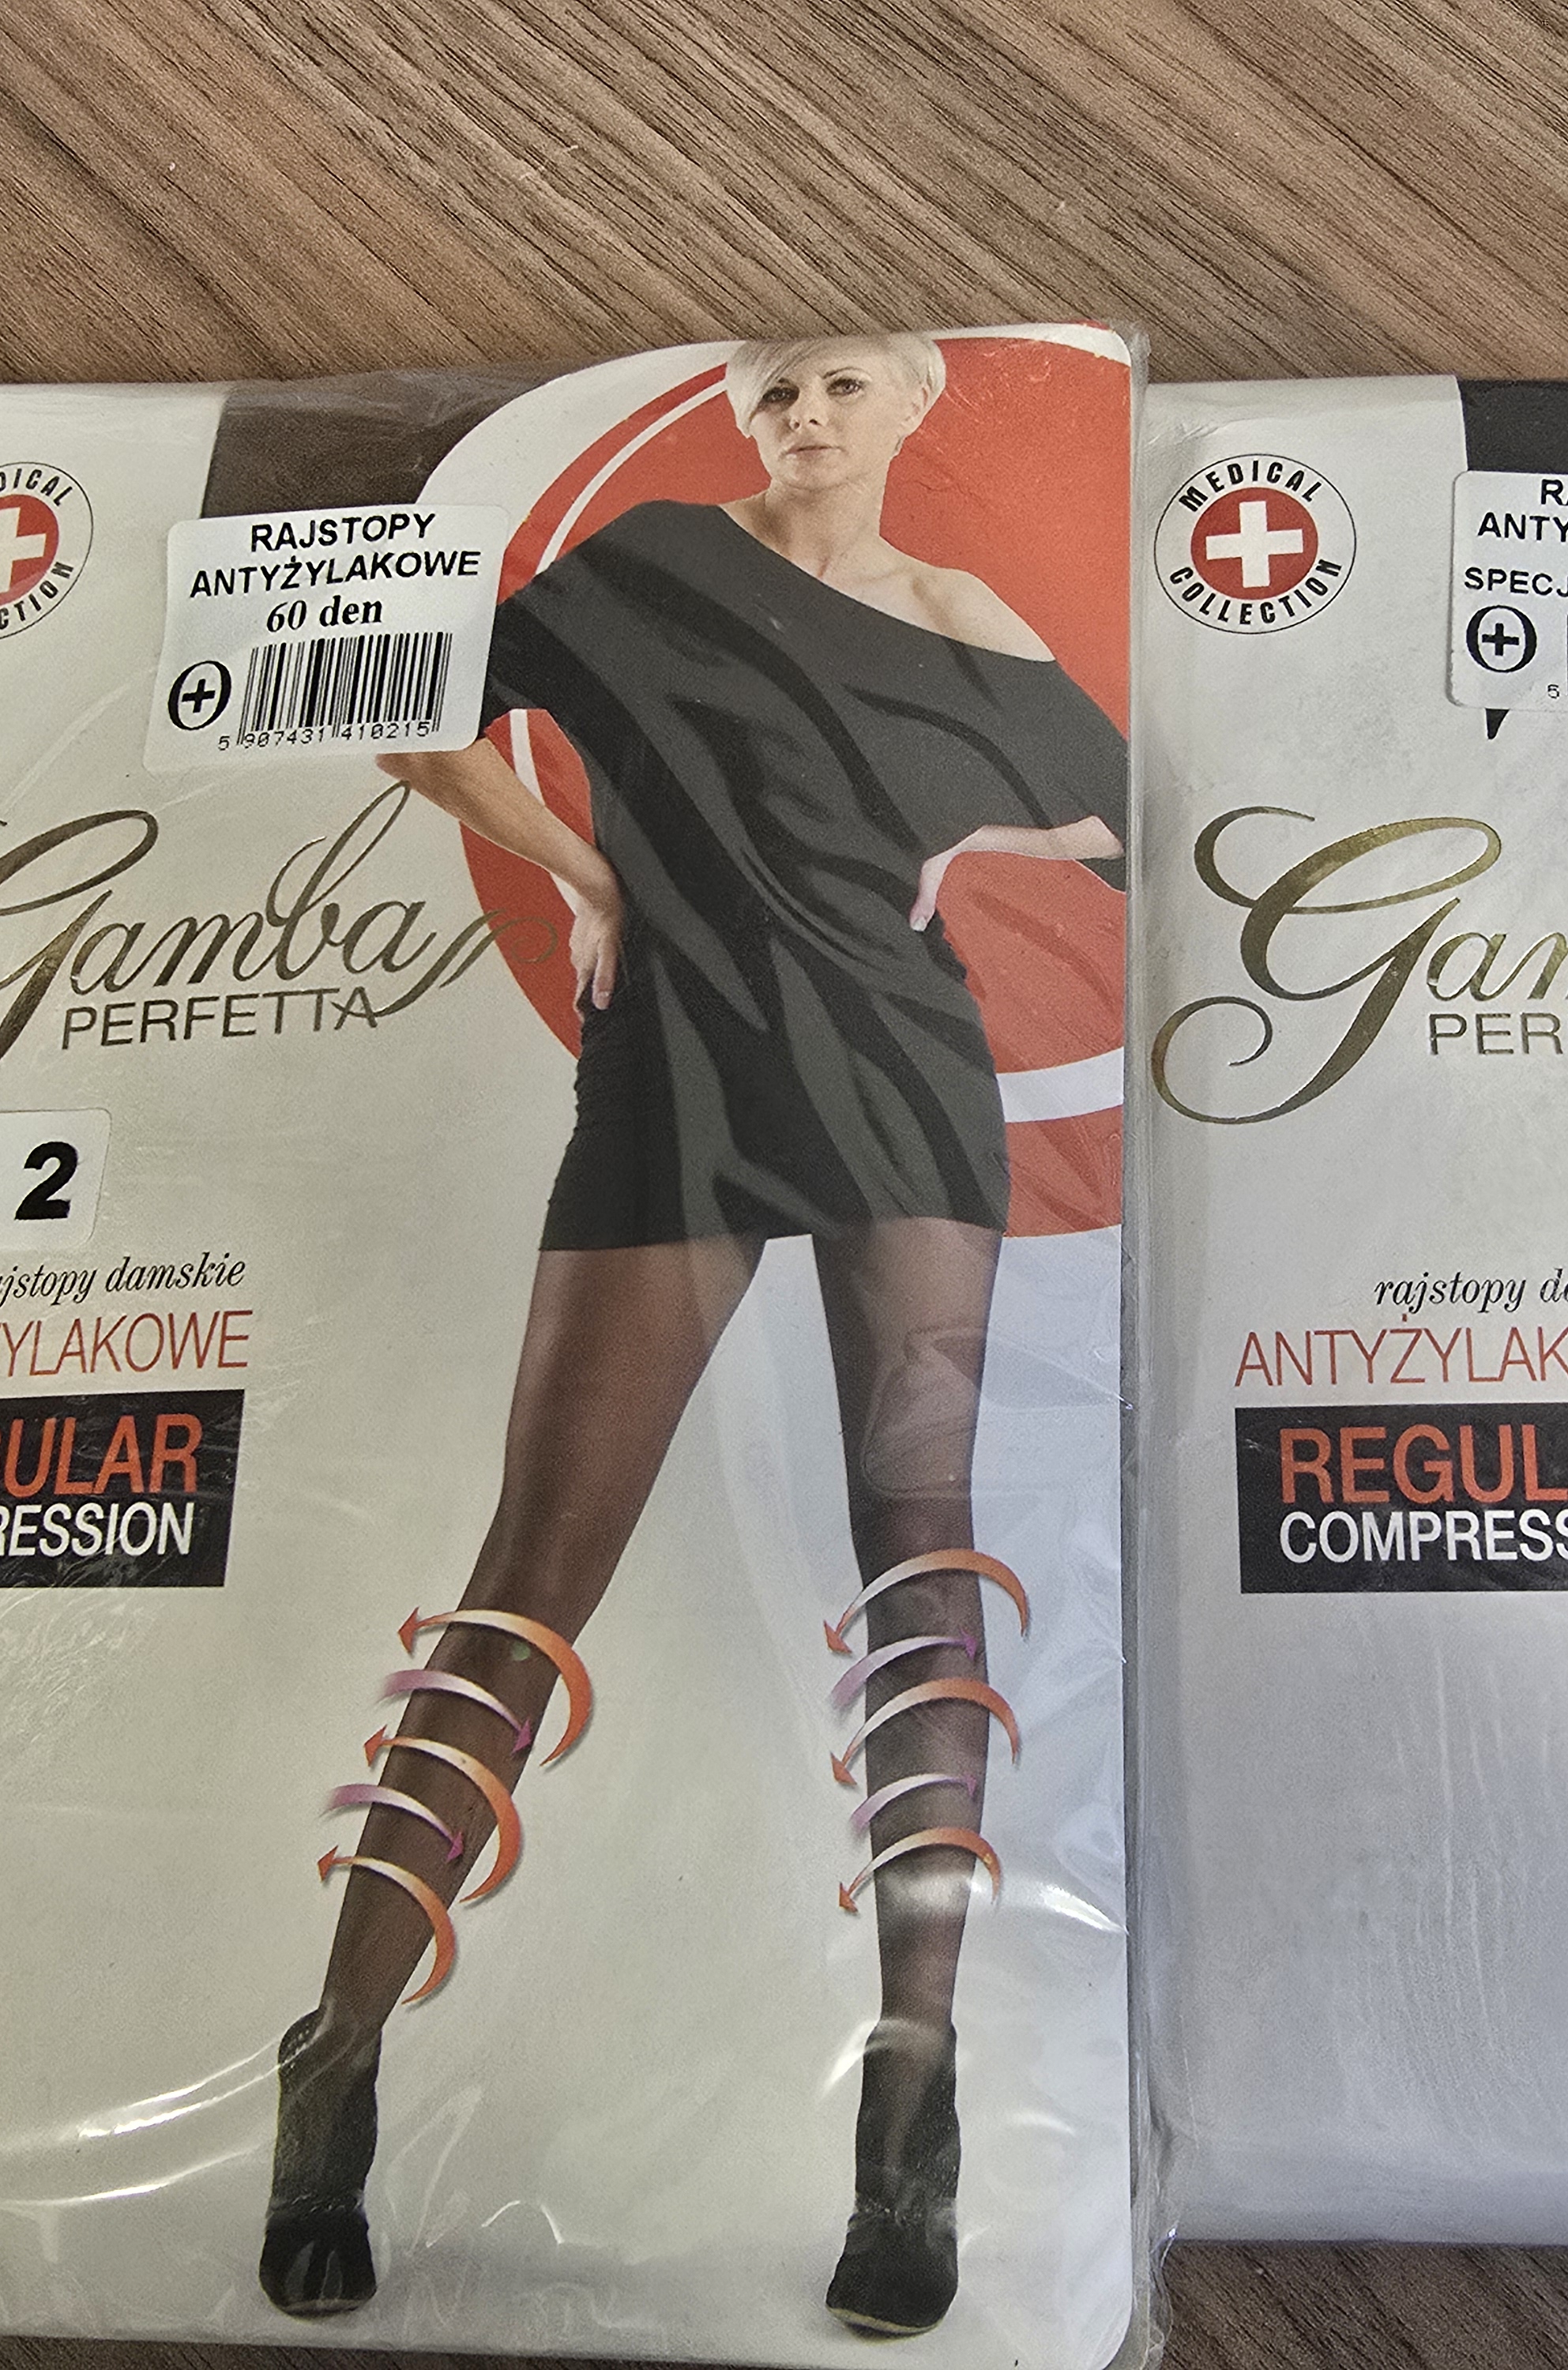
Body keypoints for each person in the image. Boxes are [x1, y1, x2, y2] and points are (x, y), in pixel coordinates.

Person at [258, 332, 1126, 2333]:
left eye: (842, 386)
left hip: (903, 1072)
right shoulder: (647, 561)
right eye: (775, 389)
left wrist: (963, 843)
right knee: (532, 1564)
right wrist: (589, 875)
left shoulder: (962, 615)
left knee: (921, 1553)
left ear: (915, 402)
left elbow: (1116, 815)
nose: (803, 415)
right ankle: (337, 2053)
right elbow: (410, 710)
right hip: (676, 1066)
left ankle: (909, 2103)